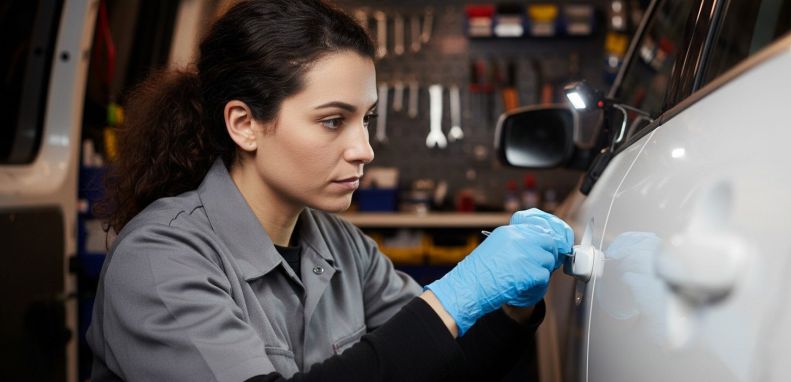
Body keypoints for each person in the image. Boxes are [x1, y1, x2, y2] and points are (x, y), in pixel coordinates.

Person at [87, 1, 574, 381]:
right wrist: (457, 295)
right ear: (245, 124)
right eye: (332, 121)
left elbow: (437, 367)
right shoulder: (159, 259)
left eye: (366, 120)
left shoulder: (343, 248)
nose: (364, 149)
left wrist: (512, 305)